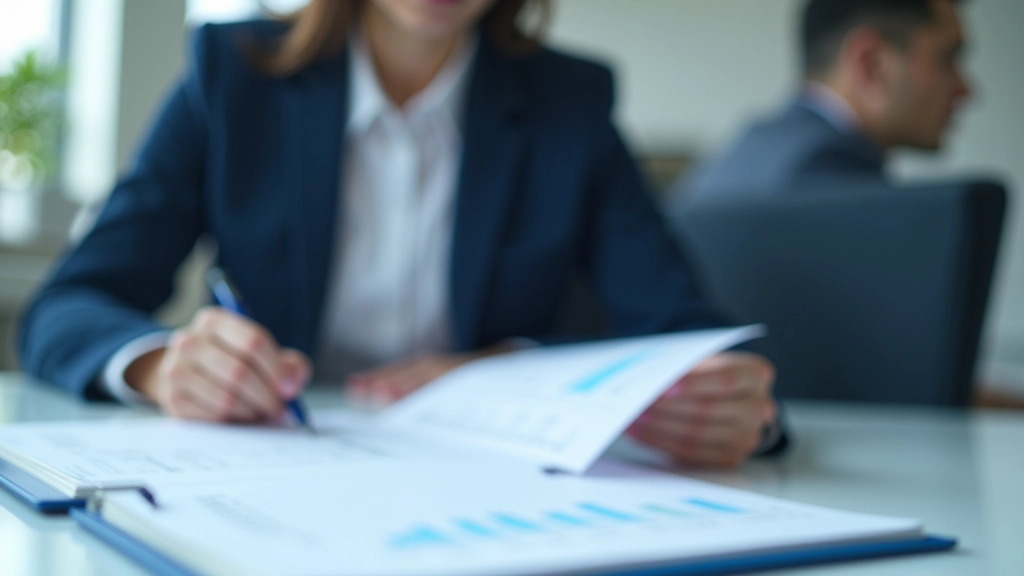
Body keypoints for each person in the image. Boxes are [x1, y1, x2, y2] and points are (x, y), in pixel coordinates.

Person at [18, 0, 784, 467]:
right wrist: (162, 366)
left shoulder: (569, 103)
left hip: (494, 487)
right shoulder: (234, 73)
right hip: (270, 471)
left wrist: (741, 412)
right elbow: (69, 305)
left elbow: (689, 333)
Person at [669, 0, 971, 208]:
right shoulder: (829, 171)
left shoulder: (746, 147)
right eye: (948, 59)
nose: (967, 90)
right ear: (872, 64)